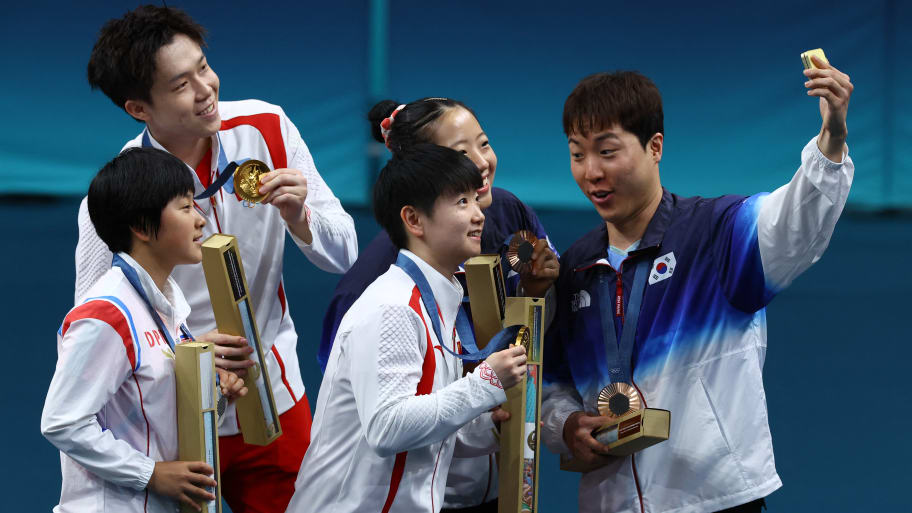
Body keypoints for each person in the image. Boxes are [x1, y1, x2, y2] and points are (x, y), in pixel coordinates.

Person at [76, 6, 358, 512]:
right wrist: (186, 351)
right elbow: (93, 332)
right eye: (181, 84)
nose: (206, 89)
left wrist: (300, 218)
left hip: (273, 394)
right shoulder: (117, 196)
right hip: (171, 417)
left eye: (203, 67)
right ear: (139, 108)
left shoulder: (268, 129)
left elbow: (345, 253)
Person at [541, 60, 854, 513]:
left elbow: (794, 222)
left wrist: (832, 141)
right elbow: (552, 384)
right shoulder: (574, 270)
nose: (591, 171)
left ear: (655, 147)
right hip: (609, 502)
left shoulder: (716, 233)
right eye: (576, 153)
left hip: (715, 500)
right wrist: (566, 426)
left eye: (607, 152)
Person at [318, 97, 560, 511]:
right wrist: (485, 382)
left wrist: (536, 294)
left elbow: (533, 333)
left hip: (483, 473)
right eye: (460, 155)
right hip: (412, 490)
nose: (480, 163)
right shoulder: (383, 290)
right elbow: (375, 418)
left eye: (483, 144)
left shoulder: (504, 215)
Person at [286, 144, 528, 513]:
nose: (479, 215)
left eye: (475, 201)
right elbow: (388, 428)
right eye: (461, 202)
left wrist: (487, 429)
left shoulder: (434, 302)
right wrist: (485, 383)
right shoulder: (393, 307)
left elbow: (424, 431)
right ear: (414, 220)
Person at [41, 147, 247, 512]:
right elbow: (62, 422)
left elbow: (158, 414)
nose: (200, 220)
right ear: (141, 226)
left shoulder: (167, 306)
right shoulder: (108, 313)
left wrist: (216, 393)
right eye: (184, 208)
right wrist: (150, 473)